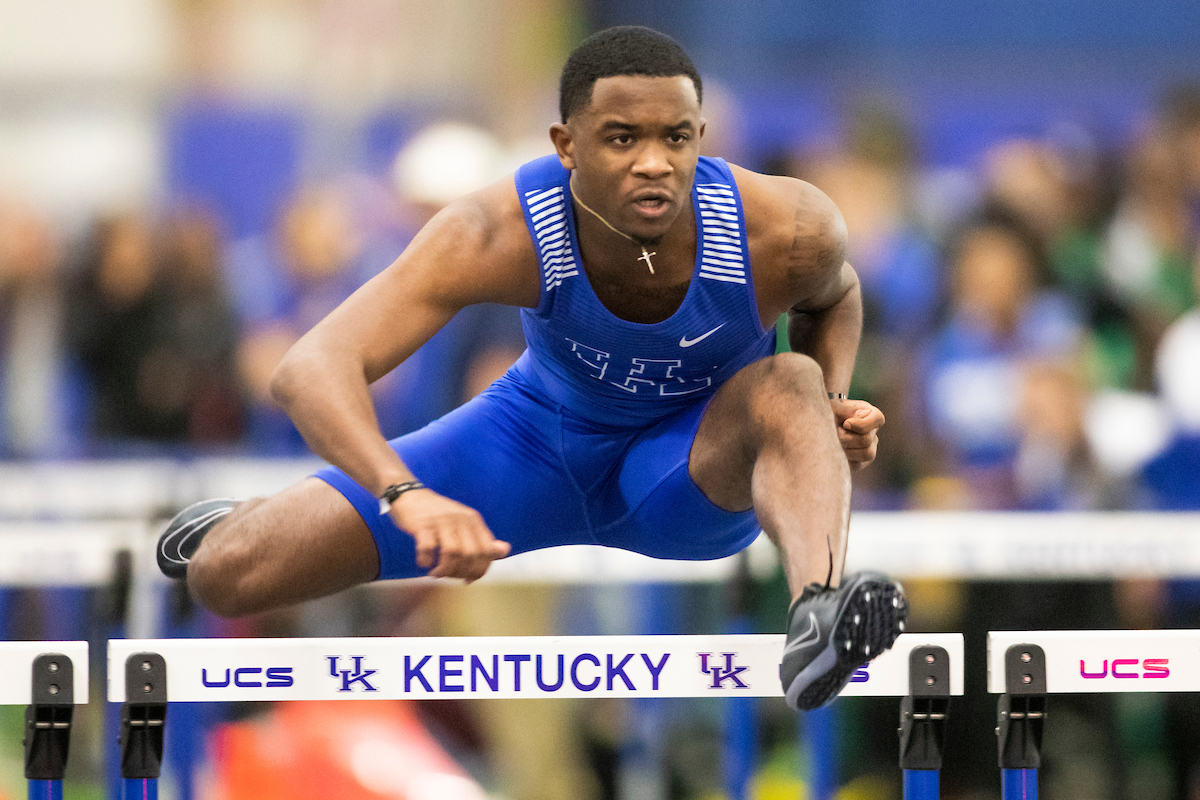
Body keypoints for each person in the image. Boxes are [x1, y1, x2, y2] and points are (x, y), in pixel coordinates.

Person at [157, 26, 906, 711]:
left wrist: (827, 405)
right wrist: (404, 494)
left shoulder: (786, 227)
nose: (654, 163)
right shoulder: (497, 231)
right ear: (566, 144)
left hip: (686, 468)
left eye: (676, 138)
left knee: (789, 383)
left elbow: (835, 296)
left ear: (701, 138)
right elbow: (309, 368)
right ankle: (252, 521)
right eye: (621, 139)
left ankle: (820, 612)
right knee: (226, 573)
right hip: (528, 446)